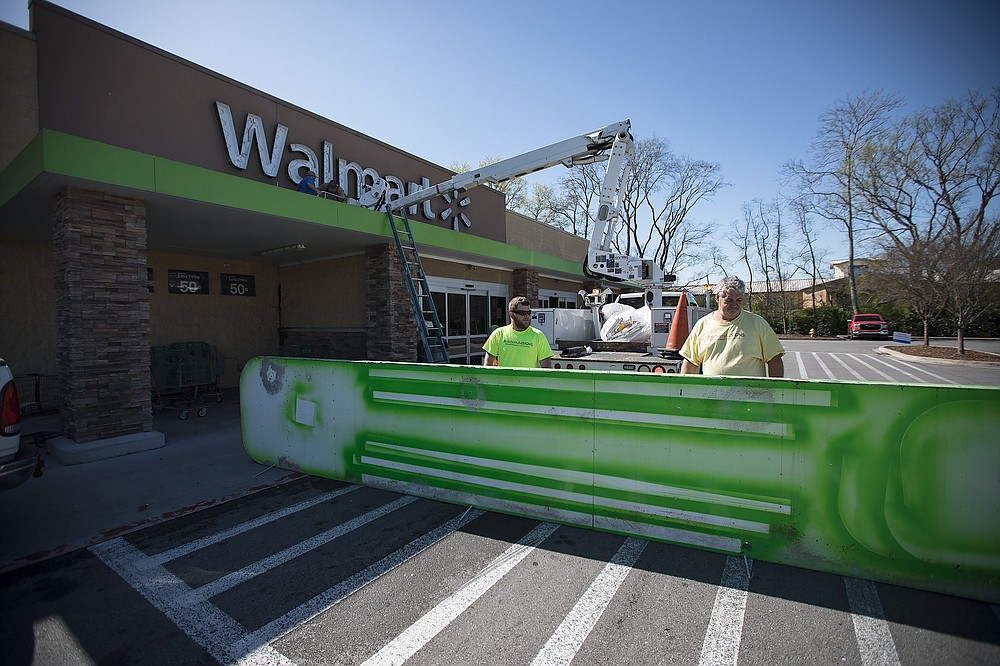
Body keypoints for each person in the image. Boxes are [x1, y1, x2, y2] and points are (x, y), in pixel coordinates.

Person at [680, 276, 784, 377]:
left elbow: (775, 360)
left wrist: (776, 391)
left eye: (739, 300)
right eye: (729, 300)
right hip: (712, 393)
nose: (734, 305)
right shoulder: (703, 325)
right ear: (717, 298)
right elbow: (690, 362)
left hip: (751, 393)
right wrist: (683, 390)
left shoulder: (758, 323)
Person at [483, 297, 553, 368]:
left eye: (529, 313)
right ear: (512, 315)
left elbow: (546, 368)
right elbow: (488, 364)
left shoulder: (538, 335)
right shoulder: (498, 334)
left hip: (528, 379)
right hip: (503, 379)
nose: (527, 316)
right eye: (522, 313)